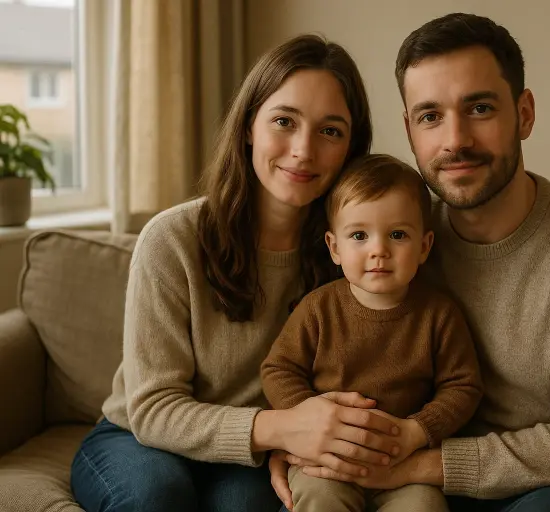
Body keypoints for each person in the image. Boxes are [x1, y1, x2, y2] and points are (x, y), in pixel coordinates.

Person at [270, 13, 550, 512]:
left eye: (478, 108)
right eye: (430, 116)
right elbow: (305, 363)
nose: (455, 140)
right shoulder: (389, 238)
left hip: (546, 485)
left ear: (524, 113)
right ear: (410, 130)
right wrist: (300, 440)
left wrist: (408, 466)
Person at [69, 34, 413, 511]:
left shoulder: (357, 253)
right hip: (139, 437)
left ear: (352, 147)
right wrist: (280, 430)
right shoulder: (171, 239)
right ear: (250, 125)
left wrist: (289, 446)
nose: (303, 150)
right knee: (155, 496)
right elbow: (152, 409)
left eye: (330, 131)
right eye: (284, 122)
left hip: (251, 452)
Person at [260, 153, 483, 512]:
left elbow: (463, 386)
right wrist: (308, 417)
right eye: (359, 235)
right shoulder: (318, 309)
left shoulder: (438, 314)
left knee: (424, 508)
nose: (378, 250)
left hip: (404, 463)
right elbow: (278, 369)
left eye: (397, 235)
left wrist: (417, 430)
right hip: (327, 462)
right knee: (318, 499)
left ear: (424, 247)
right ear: (335, 248)